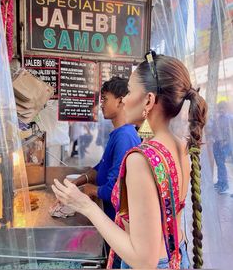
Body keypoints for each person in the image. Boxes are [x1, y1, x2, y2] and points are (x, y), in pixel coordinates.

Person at [52, 51, 207, 269]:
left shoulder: (141, 159)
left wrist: (85, 205)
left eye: (130, 91)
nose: (124, 99)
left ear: (149, 100)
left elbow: (144, 260)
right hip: (177, 255)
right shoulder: (179, 145)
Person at [66, 76, 141, 221]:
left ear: (120, 101)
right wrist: (80, 181)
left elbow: (116, 191)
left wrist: (91, 189)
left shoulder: (124, 136)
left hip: (116, 222)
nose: (101, 105)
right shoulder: (118, 133)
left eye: (105, 99)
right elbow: (102, 166)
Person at [212, 102, 232, 194]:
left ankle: (224, 184)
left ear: (226, 109)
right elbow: (214, 130)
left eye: (222, 108)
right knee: (219, 163)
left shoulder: (229, 118)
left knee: (222, 163)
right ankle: (220, 182)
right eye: (220, 109)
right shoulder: (217, 118)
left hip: (225, 144)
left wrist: (226, 142)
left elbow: (229, 132)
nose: (221, 110)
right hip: (217, 143)